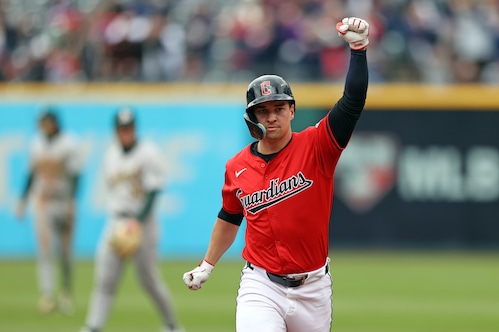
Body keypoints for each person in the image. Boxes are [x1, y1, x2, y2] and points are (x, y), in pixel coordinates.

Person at [182, 17, 370, 331]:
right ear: (251, 117)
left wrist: (358, 49)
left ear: (292, 111)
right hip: (261, 285)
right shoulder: (236, 167)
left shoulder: (318, 145)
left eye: (279, 108)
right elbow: (230, 217)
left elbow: (352, 102)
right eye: (263, 111)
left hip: (314, 288)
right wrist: (207, 264)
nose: (272, 117)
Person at [80, 108, 183, 332]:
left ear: (134, 129)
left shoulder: (149, 153)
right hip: (116, 221)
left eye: (129, 128)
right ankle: (93, 326)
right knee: (105, 279)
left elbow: (154, 190)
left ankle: (173, 326)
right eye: (121, 129)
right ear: (116, 131)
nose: (125, 132)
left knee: (149, 280)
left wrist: (138, 220)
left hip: (143, 224)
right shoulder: (110, 154)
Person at [15, 108, 82, 315]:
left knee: (65, 252)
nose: (41, 125)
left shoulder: (69, 143)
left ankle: (66, 293)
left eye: (44, 121)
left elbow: (76, 176)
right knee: (45, 252)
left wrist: (72, 200)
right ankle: (48, 295)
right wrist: (22, 200)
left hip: (63, 200)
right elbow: (30, 174)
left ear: (53, 122)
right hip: (43, 202)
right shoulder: (36, 143)